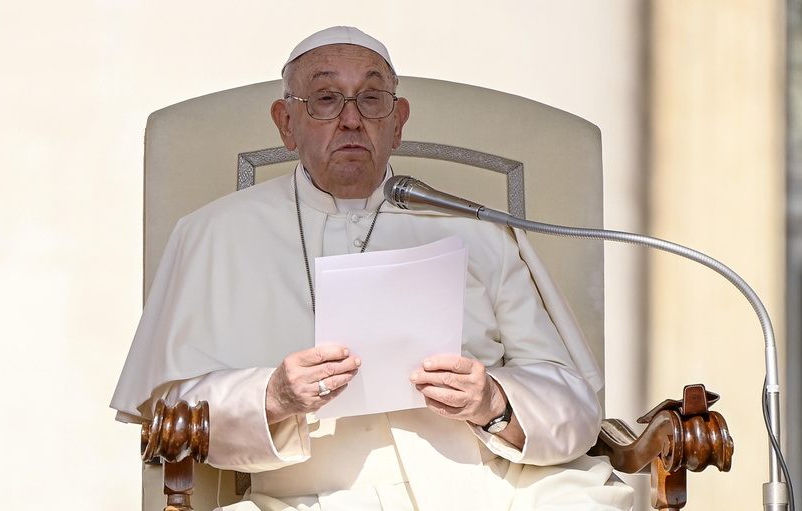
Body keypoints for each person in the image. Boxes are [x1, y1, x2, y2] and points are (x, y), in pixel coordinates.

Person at [111, 26, 633, 511]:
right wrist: (272, 395)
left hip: (496, 488)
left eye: (371, 98)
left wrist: (494, 401)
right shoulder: (213, 234)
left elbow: (574, 406)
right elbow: (170, 417)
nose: (352, 117)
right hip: (316, 498)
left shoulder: (476, 228)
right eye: (324, 98)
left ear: (398, 121)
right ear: (285, 123)